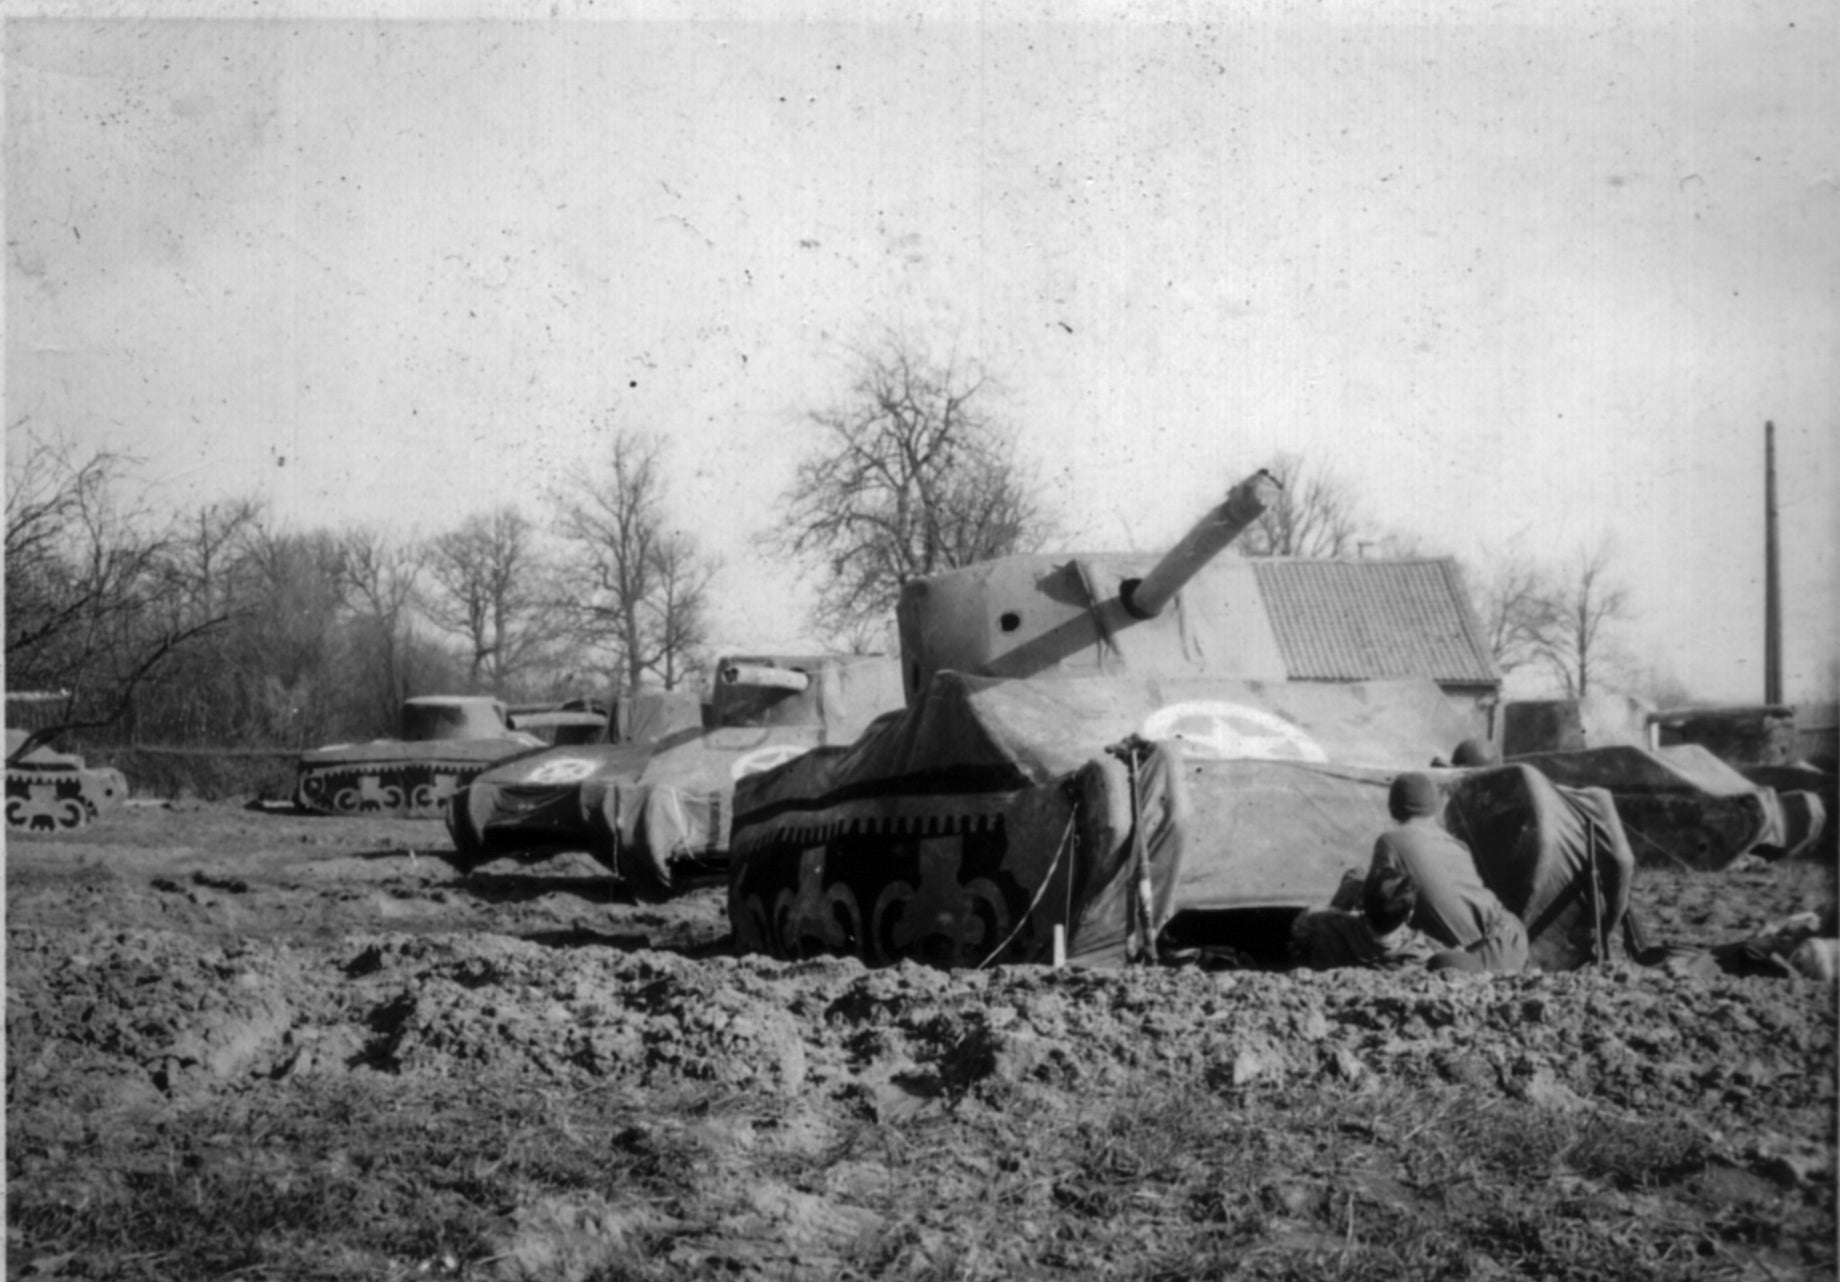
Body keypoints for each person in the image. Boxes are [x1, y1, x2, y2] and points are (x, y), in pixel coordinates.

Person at [1368, 772, 1528, 974]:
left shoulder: (1390, 842)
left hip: (1470, 958)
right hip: (1511, 938)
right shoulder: (1455, 844)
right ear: (1433, 808)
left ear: (1393, 809)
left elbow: (1378, 904)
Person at [1288, 865, 1438, 971]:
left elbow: (1299, 926)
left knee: (1354, 875)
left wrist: (1340, 911)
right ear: (1409, 916)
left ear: (1361, 904)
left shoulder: (1327, 923)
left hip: (1333, 954)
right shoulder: (1418, 953)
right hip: (1385, 959)